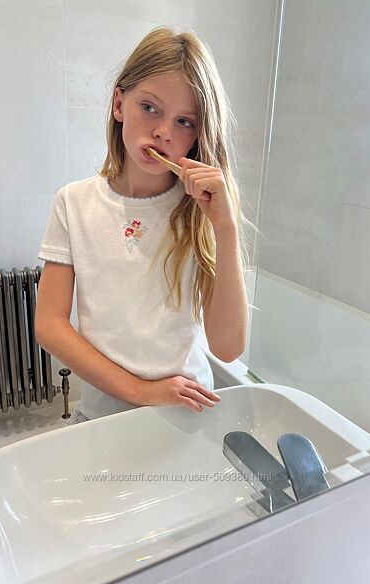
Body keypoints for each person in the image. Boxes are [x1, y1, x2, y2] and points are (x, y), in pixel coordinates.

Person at [35, 26, 251, 425]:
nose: (164, 132)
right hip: (105, 414)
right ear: (119, 104)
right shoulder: (74, 203)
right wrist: (139, 390)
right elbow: (49, 324)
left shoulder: (201, 210)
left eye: (184, 121)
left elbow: (227, 348)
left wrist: (227, 227)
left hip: (187, 412)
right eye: (150, 107)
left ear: (198, 134)